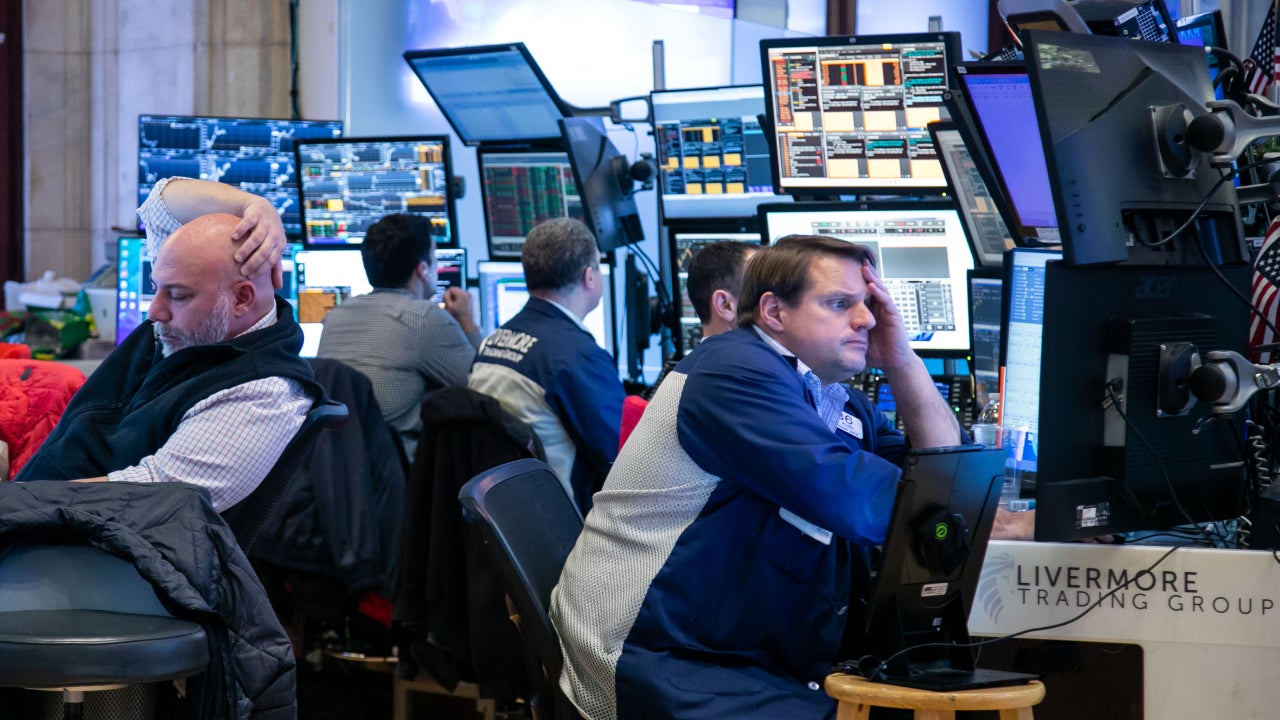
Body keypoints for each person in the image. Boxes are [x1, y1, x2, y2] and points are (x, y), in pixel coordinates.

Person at [549, 234, 964, 720]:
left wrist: (901, 358)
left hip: (721, 642)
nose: (867, 319)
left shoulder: (834, 398)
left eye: (869, 304)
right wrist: (956, 506)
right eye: (839, 304)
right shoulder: (732, 373)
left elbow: (941, 469)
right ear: (773, 312)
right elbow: (856, 500)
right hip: (649, 653)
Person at [15, 180, 324, 513]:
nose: (154, 312)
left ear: (241, 298)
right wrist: (253, 205)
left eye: (177, 295)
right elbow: (160, 204)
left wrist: (12, 506)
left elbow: (152, 492)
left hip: (74, 548)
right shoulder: (195, 328)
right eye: (156, 288)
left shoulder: (263, 393)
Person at [468, 217, 624, 514]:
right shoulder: (575, 356)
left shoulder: (490, 344)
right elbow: (624, 459)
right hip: (569, 528)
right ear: (589, 276)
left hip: (513, 522)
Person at [316, 213, 480, 457]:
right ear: (423, 269)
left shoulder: (335, 317)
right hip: (398, 476)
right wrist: (467, 320)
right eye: (434, 258)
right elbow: (484, 386)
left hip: (340, 473)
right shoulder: (424, 318)